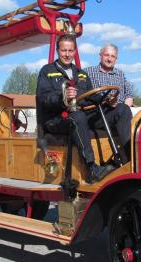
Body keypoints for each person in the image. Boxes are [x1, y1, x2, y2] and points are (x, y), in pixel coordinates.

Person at [36, 35, 130, 184]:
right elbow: (43, 98)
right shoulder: (47, 71)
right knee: (77, 116)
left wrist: (107, 101)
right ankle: (92, 168)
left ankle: (129, 158)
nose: (67, 54)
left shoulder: (81, 74)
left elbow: (92, 96)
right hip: (56, 119)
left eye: (70, 50)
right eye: (64, 50)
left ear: (75, 51)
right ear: (57, 51)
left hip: (81, 115)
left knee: (122, 109)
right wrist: (63, 97)